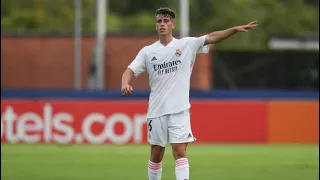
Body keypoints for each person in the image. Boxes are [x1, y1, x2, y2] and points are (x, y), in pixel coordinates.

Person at [121, 7, 257, 180]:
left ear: (173, 25)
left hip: (179, 110)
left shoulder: (186, 44)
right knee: (156, 153)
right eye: (159, 21)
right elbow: (129, 70)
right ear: (156, 26)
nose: (162, 24)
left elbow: (212, 37)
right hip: (156, 111)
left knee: (179, 151)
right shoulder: (148, 51)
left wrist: (234, 30)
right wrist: (125, 83)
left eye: (166, 21)